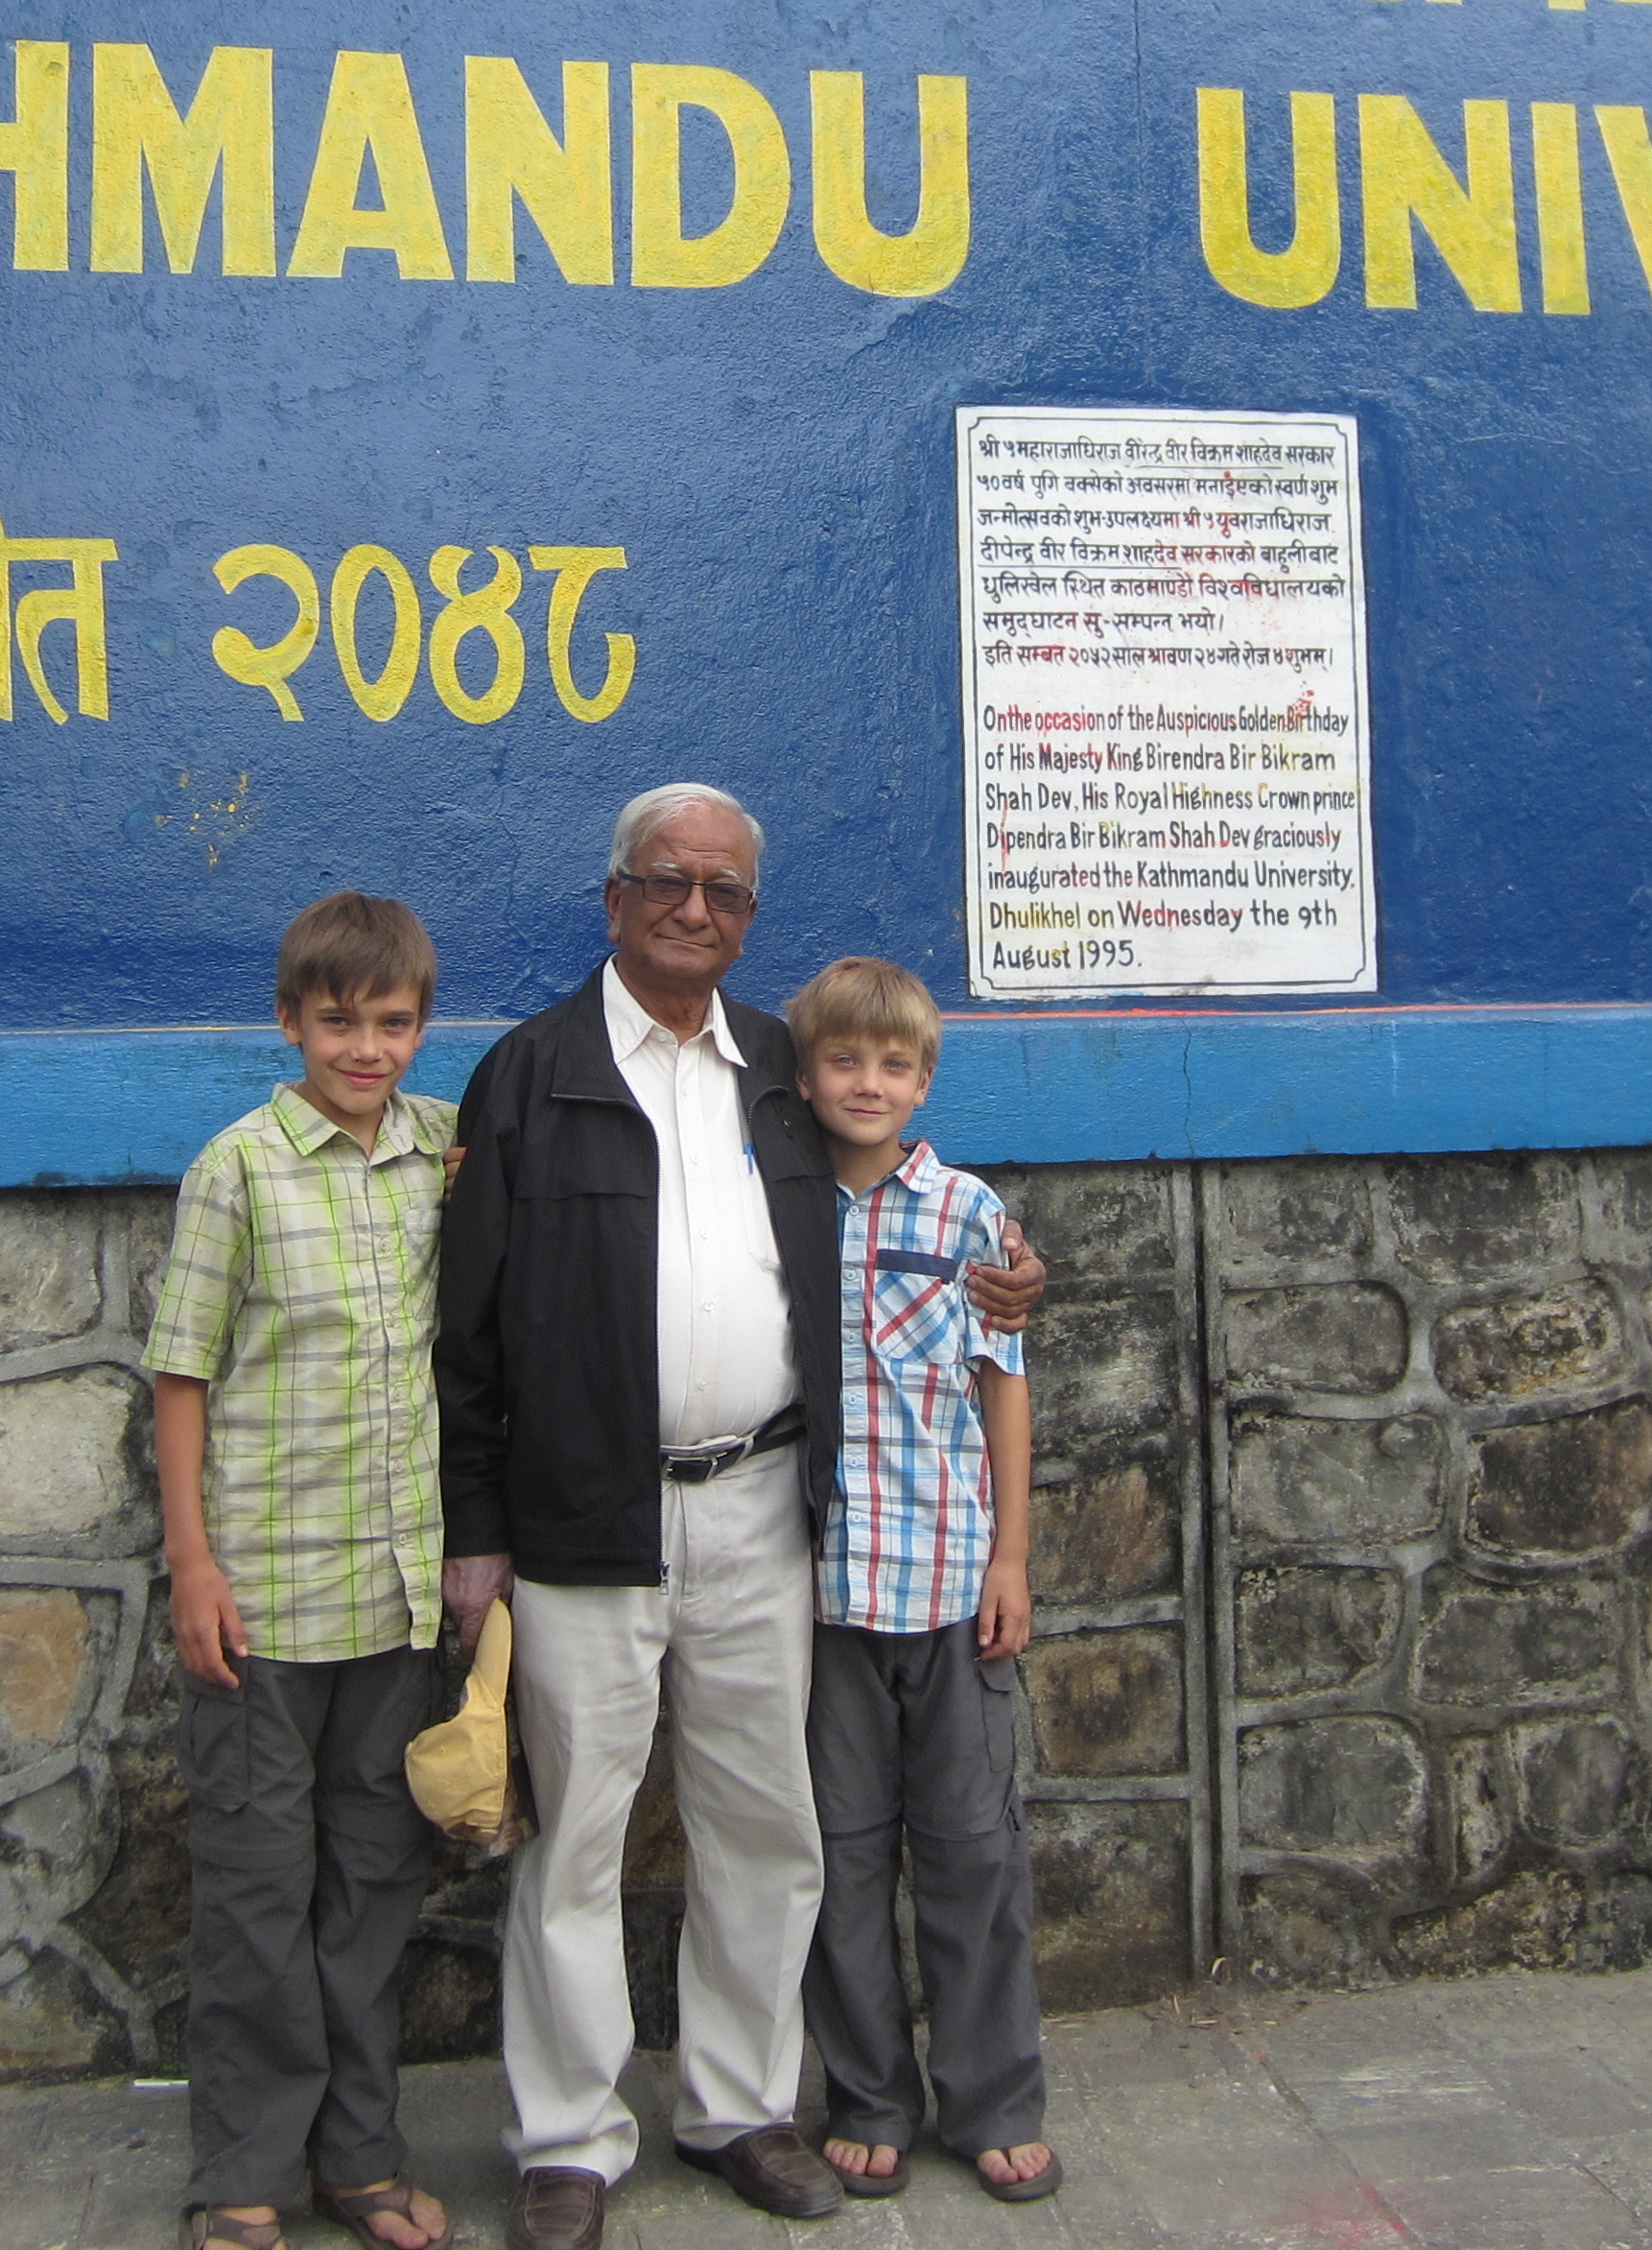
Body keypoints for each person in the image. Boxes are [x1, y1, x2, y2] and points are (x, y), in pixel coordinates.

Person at [435, 783, 1046, 2250]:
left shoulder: (782, 1067)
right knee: (575, 1838)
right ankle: (570, 2140)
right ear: (615, 898)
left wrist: (1005, 1279)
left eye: (723, 890)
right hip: (582, 1518)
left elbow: (896, 1212)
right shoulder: (531, 1074)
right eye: (667, 881)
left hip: (769, 1507)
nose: (693, 909)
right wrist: (475, 1528)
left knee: (766, 1825)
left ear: (749, 917)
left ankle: (738, 2106)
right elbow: (466, 1327)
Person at [146, 891, 460, 2250]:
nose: (365, 1049)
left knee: (373, 1891)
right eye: (339, 1023)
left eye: (391, 1023)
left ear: (421, 1027)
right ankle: (245, 2176)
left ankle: (360, 2159)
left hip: (395, 1599)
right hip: (265, 1605)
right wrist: (192, 1563)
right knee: (258, 1896)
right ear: (289, 1023)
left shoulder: (443, 1150)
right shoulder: (240, 1167)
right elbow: (181, 1372)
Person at [786, 957, 1055, 2207]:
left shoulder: (967, 1215)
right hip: (821, 1598)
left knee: (973, 1856)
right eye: (844, 1060)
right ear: (804, 1075)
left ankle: (993, 2098)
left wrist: (1013, 1557)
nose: (868, 1083)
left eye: (894, 1065)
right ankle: (871, 2097)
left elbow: (1005, 1389)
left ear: (925, 1081)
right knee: (839, 1863)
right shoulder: (776, 1205)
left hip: (951, 1585)